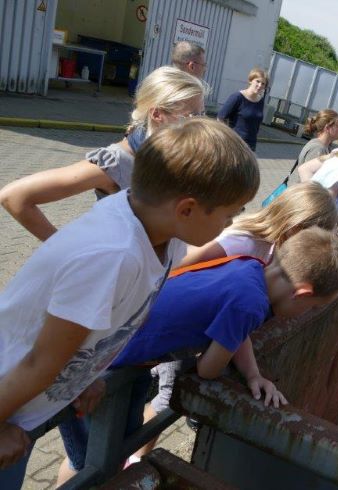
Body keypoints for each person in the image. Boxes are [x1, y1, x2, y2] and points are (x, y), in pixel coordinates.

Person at [0, 119, 260, 488]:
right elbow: (40, 360)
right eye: (229, 213)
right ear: (186, 209)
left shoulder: (163, 237)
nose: (234, 222)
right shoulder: (114, 254)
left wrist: (79, 378)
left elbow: (84, 334)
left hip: (21, 404)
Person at [56, 226, 338, 472]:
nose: (306, 313)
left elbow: (236, 332)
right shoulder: (251, 305)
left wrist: (253, 374)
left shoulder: (250, 267)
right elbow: (208, 369)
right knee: (87, 462)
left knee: (121, 439)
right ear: (302, 294)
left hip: (120, 349)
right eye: (313, 307)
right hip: (98, 361)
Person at [0, 67, 207, 241]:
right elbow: (15, 197)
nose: (201, 124)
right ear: (157, 114)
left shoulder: (170, 155)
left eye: (203, 114)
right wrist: (65, 250)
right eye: (192, 116)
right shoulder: (117, 162)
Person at [179, 181, 338, 266]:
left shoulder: (275, 246)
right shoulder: (243, 244)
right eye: (314, 238)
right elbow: (181, 264)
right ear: (295, 228)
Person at [217, 67, 268, 151]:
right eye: (257, 81)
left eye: (263, 84)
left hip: (250, 145)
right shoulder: (237, 97)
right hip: (235, 144)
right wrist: (227, 137)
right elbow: (220, 117)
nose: (260, 85)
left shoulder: (260, 101)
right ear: (250, 80)